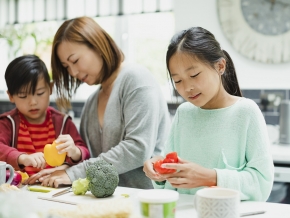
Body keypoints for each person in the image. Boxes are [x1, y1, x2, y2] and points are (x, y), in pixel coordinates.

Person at [25, 16, 170, 189]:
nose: (73, 72)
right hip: (106, 201)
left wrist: (74, 173)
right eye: (66, 67)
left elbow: (137, 149)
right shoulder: (92, 102)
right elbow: (92, 159)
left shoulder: (136, 80)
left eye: (75, 61)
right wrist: (66, 168)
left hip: (146, 200)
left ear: (97, 45)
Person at [143, 27, 274, 201]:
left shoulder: (246, 112)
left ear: (220, 66)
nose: (187, 87)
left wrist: (210, 177)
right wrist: (158, 170)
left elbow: (261, 183)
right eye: (178, 81)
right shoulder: (184, 113)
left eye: (194, 75)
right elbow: (172, 181)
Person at [0, 55, 90, 177]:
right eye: (23, 96)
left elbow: (85, 152)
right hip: (18, 191)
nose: (33, 102)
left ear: (50, 88)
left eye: (40, 93)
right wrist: (22, 158)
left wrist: (74, 151)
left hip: (54, 188)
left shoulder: (63, 122)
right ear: (11, 96)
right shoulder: (7, 123)